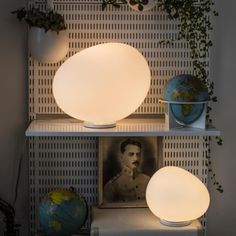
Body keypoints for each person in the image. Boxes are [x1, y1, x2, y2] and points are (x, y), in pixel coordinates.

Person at [103, 139, 150, 203]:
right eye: (131, 154)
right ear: (122, 157)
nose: (136, 158)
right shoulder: (112, 186)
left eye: (138, 154)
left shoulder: (148, 180)